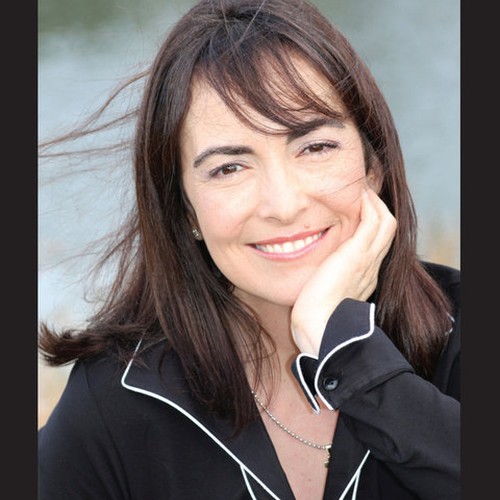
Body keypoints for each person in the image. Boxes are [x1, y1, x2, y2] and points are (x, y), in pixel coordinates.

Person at [37, 0, 460, 498]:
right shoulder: (115, 400)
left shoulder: (459, 325)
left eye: (315, 147)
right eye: (229, 168)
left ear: (374, 167)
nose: (283, 205)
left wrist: (347, 351)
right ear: (185, 210)